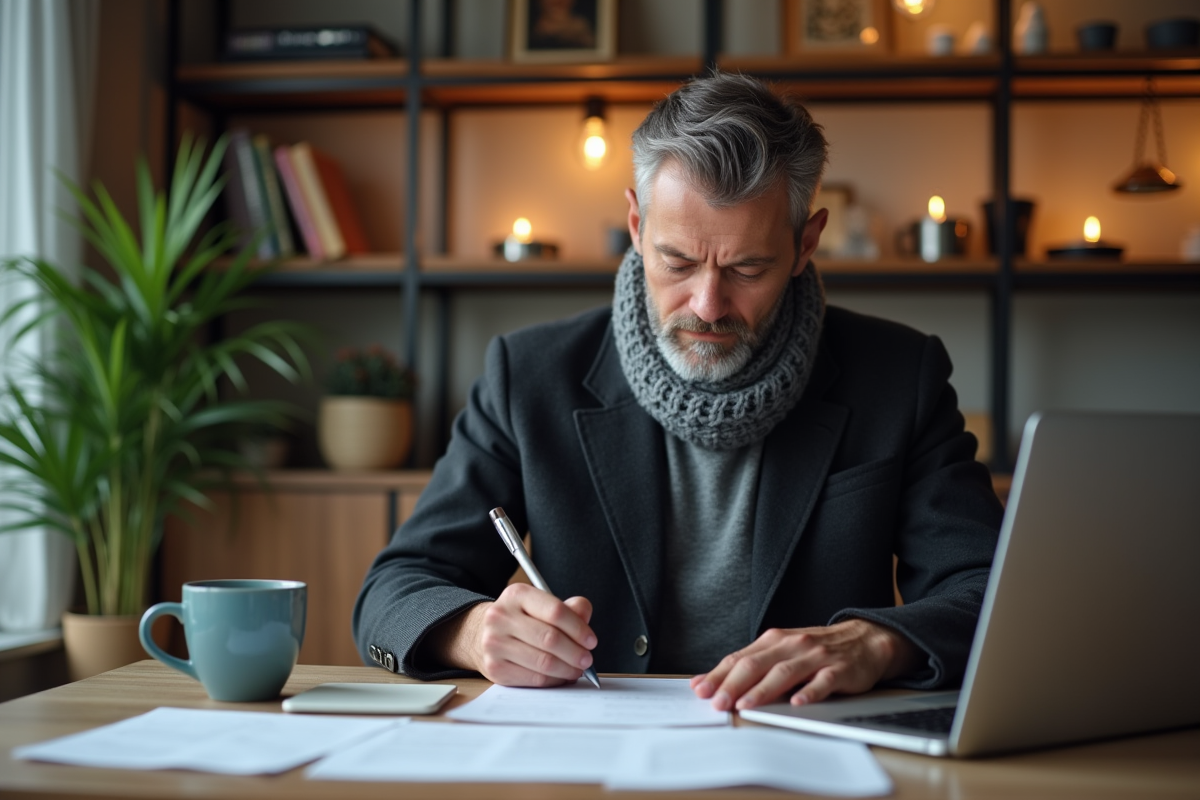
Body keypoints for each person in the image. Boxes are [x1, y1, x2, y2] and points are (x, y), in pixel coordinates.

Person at [353, 71, 1002, 713]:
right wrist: (472, 632)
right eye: (677, 262)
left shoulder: (899, 375)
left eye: (747, 267)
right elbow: (391, 594)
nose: (708, 305)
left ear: (806, 242)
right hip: (590, 752)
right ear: (636, 224)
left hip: (807, 747)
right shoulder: (528, 375)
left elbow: (990, 593)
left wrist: (877, 643)